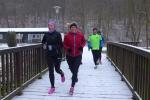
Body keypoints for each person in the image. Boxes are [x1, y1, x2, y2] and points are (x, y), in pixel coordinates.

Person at [42, 19, 65, 94]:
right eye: (49, 25)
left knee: (57, 70)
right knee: (51, 71)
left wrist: (53, 47)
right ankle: (52, 87)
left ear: (54, 26)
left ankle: (62, 74)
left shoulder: (57, 34)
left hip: (57, 55)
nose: (50, 26)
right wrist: (44, 45)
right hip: (49, 55)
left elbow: (61, 45)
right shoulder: (46, 34)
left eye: (51, 25)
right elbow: (43, 42)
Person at [64, 23, 86, 95]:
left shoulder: (80, 35)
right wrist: (67, 48)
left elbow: (84, 41)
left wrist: (81, 46)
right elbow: (64, 44)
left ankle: (72, 87)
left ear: (76, 28)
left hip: (78, 55)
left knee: (75, 69)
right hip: (69, 55)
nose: (73, 28)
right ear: (70, 29)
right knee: (72, 69)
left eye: (74, 27)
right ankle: (75, 76)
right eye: (72, 27)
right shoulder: (67, 36)